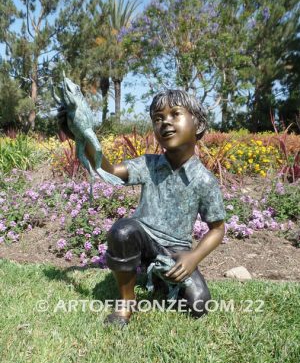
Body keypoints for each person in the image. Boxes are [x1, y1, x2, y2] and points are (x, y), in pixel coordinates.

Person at [59, 89, 226, 327]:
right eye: (158, 118)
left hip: (175, 250)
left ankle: (158, 276)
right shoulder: (149, 165)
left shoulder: (205, 180)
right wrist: (83, 135)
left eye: (175, 114)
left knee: (199, 304)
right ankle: (127, 302)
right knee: (123, 230)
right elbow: (109, 171)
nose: (165, 122)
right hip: (142, 236)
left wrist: (192, 258)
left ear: (198, 124)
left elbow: (217, 229)